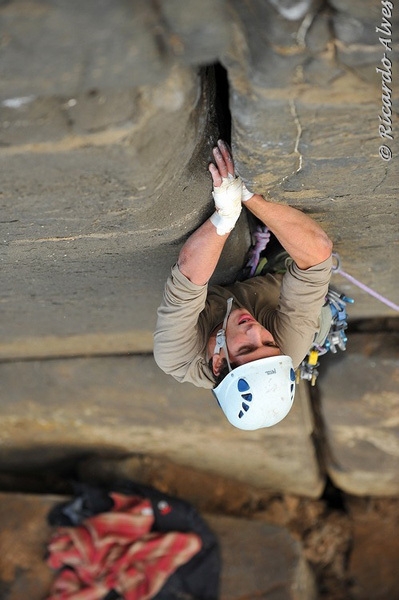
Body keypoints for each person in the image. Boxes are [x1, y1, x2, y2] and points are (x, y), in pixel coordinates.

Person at [153, 140, 333, 430]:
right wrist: (250, 196)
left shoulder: (177, 356)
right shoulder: (290, 349)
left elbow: (187, 276)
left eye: (247, 348)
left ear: (217, 362)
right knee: (319, 318)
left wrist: (225, 215)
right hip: (273, 281)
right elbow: (317, 255)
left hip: (236, 291)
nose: (255, 331)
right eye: (268, 342)